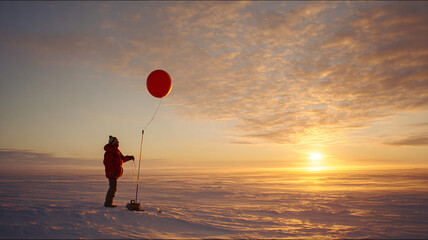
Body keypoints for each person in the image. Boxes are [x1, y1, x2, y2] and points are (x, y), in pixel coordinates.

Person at [103, 135, 134, 207]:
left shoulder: (116, 151)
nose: (118, 142)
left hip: (115, 173)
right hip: (112, 173)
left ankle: (108, 203)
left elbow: (122, 159)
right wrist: (112, 171)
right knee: (112, 188)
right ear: (114, 142)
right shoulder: (109, 152)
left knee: (113, 188)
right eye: (117, 141)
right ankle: (108, 204)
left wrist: (129, 157)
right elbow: (107, 163)